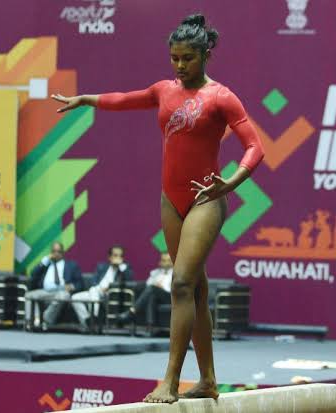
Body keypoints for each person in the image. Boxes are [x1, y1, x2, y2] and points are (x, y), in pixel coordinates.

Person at [52, 13, 264, 403]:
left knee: (180, 283)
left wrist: (231, 182)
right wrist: (87, 100)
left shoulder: (221, 97)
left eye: (188, 58)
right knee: (195, 289)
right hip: (171, 198)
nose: (180, 66)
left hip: (206, 198)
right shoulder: (164, 89)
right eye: (175, 58)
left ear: (205, 54)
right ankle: (209, 380)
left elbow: (255, 146)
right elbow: (124, 99)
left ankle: (170, 379)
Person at [71, 245, 133, 331]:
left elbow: (129, 280)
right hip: (96, 292)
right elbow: (93, 281)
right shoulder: (101, 266)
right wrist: (98, 288)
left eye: (120, 256)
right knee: (74, 297)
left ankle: (93, 319)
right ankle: (88, 321)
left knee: (93, 291)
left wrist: (121, 268)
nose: (118, 258)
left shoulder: (125, 268)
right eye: (115, 255)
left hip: (110, 294)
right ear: (109, 257)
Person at [25, 241, 83, 329]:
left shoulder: (71, 265)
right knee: (28, 295)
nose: (56, 254)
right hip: (45, 291)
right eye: (54, 251)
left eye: (59, 251)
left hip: (61, 291)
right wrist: (44, 261)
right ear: (51, 252)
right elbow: (33, 275)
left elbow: (80, 283)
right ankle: (33, 321)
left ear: (63, 253)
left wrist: (71, 286)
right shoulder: (46, 265)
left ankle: (46, 320)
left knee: (64, 296)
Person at [118, 252, 174, 329]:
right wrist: (155, 286)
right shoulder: (155, 273)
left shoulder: (176, 273)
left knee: (152, 289)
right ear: (160, 262)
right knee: (151, 295)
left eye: (168, 260)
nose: (166, 263)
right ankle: (150, 327)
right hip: (156, 295)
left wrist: (162, 288)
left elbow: (176, 289)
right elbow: (147, 286)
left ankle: (132, 311)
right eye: (163, 260)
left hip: (170, 297)